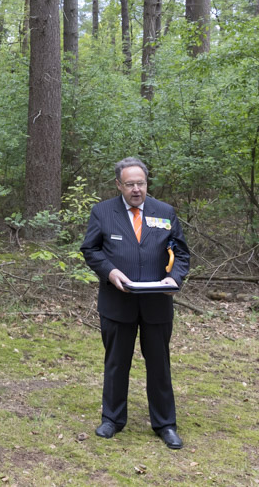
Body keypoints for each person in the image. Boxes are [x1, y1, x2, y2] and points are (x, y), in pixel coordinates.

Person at [80, 157, 190, 450]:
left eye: (140, 183)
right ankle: (112, 419)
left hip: (157, 303)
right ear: (119, 185)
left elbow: (180, 253)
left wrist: (174, 278)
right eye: (130, 184)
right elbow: (90, 250)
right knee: (116, 363)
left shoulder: (164, 212)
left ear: (146, 183)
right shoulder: (103, 212)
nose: (136, 189)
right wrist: (110, 272)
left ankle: (165, 424)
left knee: (159, 365)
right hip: (117, 302)